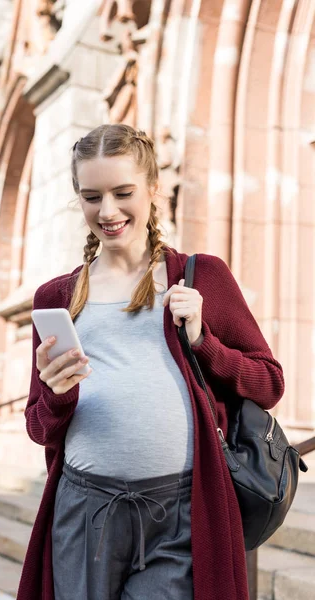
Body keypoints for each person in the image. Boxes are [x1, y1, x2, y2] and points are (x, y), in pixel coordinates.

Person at [16, 124, 285, 600]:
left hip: (181, 510)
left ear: (152, 188)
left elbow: (269, 383)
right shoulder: (56, 297)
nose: (109, 211)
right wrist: (57, 396)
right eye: (91, 196)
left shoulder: (201, 277)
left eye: (123, 193)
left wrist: (203, 340)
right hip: (85, 510)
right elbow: (39, 428)